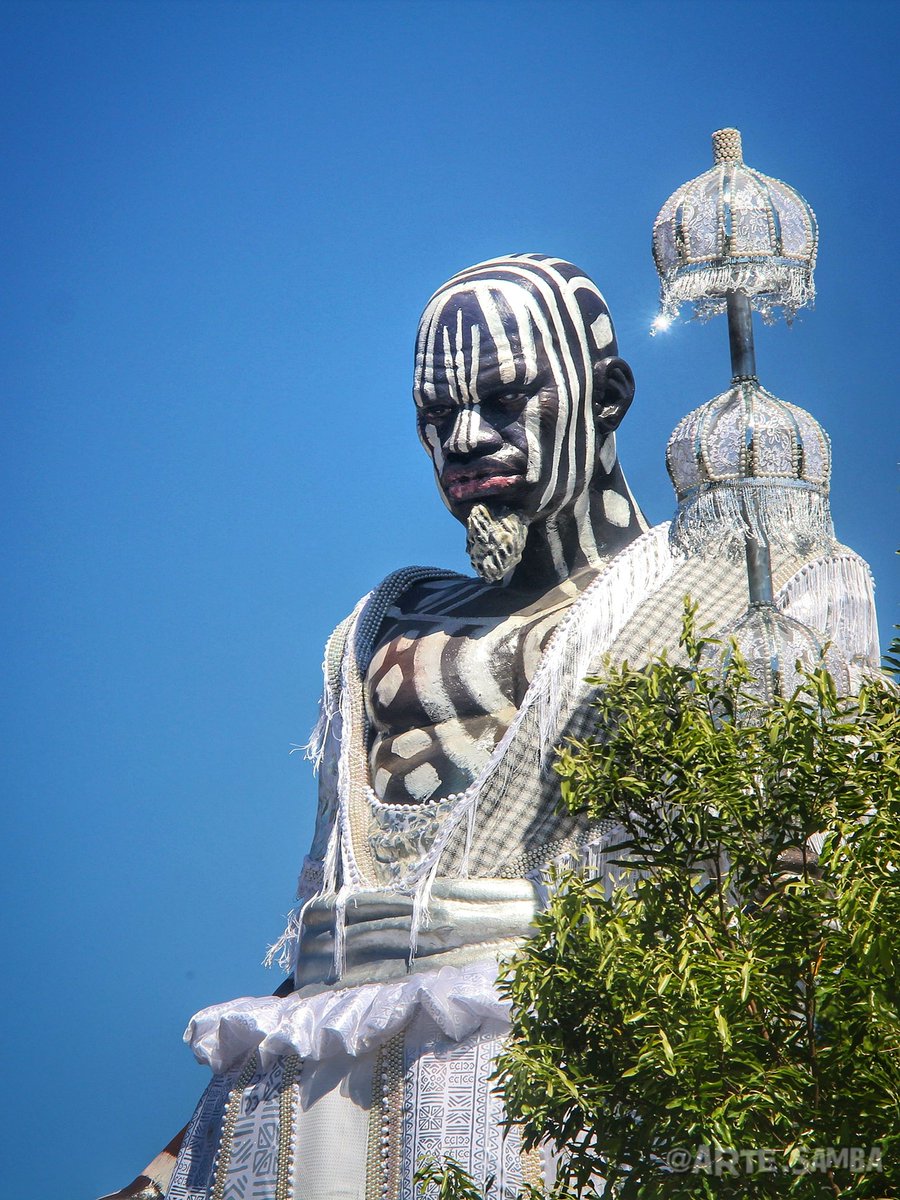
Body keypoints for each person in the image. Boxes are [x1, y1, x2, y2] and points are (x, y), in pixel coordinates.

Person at [102, 254, 879, 1200]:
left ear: (607, 397)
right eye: (436, 416)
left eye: (508, 400)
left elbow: (811, 874)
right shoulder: (378, 628)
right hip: (307, 1128)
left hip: (573, 1094)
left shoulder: (721, 588)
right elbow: (342, 958)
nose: (467, 438)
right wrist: (165, 1168)